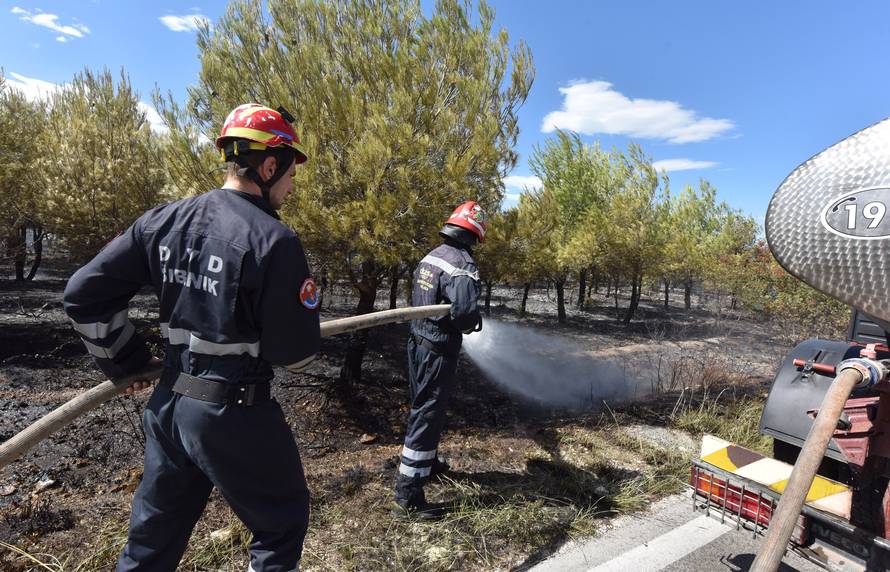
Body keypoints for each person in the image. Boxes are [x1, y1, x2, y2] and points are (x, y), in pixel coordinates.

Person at [63, 103, 320, 571]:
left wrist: (127, 361)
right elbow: (295, 355)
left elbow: (84, 294)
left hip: (168, 408)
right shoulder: (274, 241)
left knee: (151, 542)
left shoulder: (162, 221)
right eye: (290, 171)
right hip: (234, 412)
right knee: (281, 524)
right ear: (268, 165)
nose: (292, 183)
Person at [393, 201, 486, 519]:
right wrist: (473, 316)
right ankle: (407, 496)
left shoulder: (431, 256)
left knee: (422, 407)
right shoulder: (462, 263)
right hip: (437, 350)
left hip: (416, 344)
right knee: (427, 414)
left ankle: (425, 464)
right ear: (474, 234)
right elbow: (463, 315)